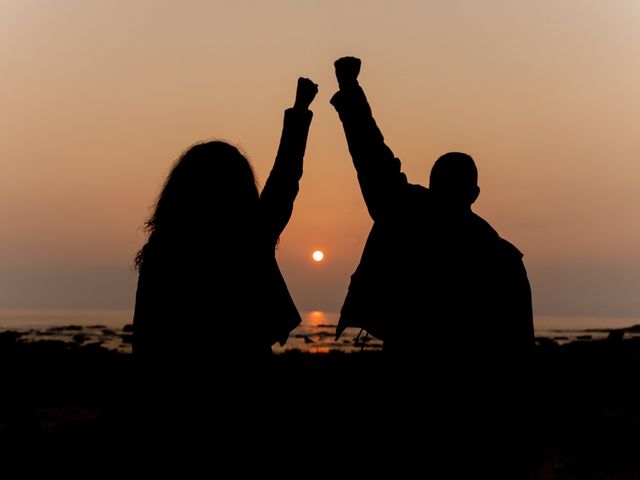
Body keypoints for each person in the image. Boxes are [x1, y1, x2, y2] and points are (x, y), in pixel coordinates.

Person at [330, 57, 534, 475]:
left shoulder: (408, 214)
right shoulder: (502, 257)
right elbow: (518, 355)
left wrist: (351, 91)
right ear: (475, 192)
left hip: (423, 385)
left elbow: (373, 159)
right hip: (462, 397)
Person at [133, 77, 318, 378]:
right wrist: (299, 112)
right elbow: (283, 182)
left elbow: (146, 337)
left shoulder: (165, 249)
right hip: (242, 371)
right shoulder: (249, 238)